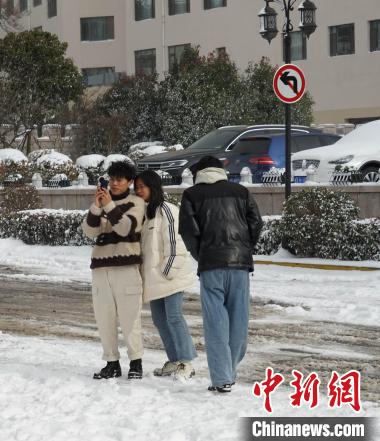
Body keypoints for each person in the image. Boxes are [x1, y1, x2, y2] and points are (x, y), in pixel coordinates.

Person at [179, 156, 263, 393]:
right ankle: (229, 372)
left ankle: (222, 378)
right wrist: (245, 248)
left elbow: (188, 231)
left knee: (216, 324)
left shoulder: (192, 195)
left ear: (200, 173)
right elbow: (256, 223)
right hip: (240, 265)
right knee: (239, 322)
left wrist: (201, 255)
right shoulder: (241, 191)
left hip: (211, 267)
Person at [81, 161, 145, 380]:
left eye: (119, 180)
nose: (114, 183)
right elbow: (89, 231)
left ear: (129, 182)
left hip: (126, 268)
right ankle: (111, 362)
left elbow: (127, 227)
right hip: (100, 268)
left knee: (130, 318)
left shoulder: (136, 202)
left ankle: (136, 362)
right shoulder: (102, 202)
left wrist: (109, 206)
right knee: (104, 318)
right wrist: (97, 206)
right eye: (112, 179)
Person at [134, 171, 197, 382]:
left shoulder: (167, 210)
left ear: (153, 186)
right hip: (154, 279)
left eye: (142, 186)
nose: (139, 190)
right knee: (160, 320)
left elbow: (175, 243)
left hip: (170, 276)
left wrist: (168, 270)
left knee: (174, 317)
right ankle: (173, 360)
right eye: (137, 187)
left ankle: (186, 362)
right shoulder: (146, 214)